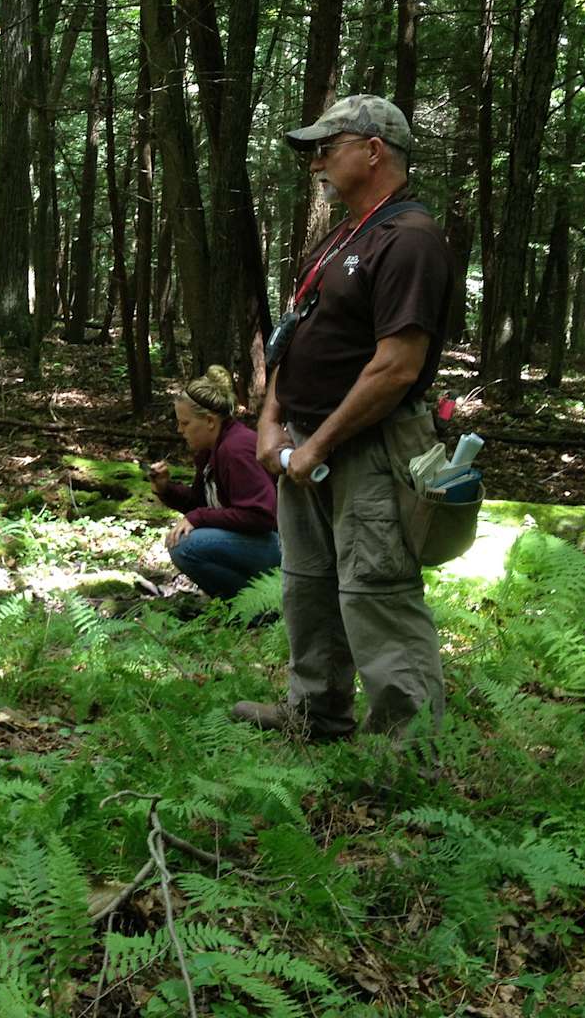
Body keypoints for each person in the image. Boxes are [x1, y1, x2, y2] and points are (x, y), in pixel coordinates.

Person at [235, 95, 454, 743]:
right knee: (308, 586)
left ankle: (407, 755)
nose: (317, 164)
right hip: (304, 445)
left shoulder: (409, 240)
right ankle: (315, 713)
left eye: (328, 149)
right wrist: (274, 422)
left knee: (376, 593)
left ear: (374, 150)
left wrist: (320, 440)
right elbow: (296, 335)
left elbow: (395, 367)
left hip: (370, 450)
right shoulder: (344, 237)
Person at [148, 366, 280, 600]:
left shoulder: (236, 449)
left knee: (185, 547)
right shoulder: (210, 452)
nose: (180, 430)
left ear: (209, 421)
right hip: (259, 544)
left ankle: (257, 607)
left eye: (185, 423)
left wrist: (198, 518)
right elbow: (200, 503)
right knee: (185, 542)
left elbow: (261, 515)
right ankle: (247, 603)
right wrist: (166, 489)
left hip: (283, 547)